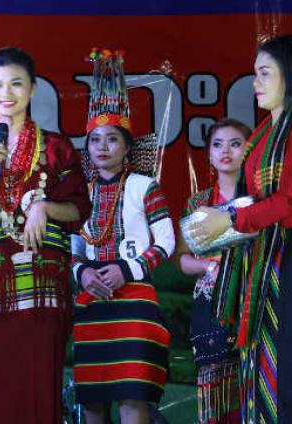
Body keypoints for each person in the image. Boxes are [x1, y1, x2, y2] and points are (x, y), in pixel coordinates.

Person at [190, 35, 292, 423]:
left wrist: (229, 220)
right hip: (261, 254)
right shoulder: (265, 133)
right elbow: (251, 198)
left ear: (291, 75)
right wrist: (220, 222)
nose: (255, 83)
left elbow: (288, 201)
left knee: (286, 359)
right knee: (257, 360)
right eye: (256, 73)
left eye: (264, 73)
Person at [0, 46, 90, 424]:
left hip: (41, 286)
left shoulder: (56, 148)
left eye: (16, 83)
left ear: (33, 88)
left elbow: (79, 209)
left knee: (39, 382)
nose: (6, 94)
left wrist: (44, 208)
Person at [70, 49, 174, 424]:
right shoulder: (78, 193)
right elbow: (72, 249)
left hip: (135, 298)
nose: (102, 147)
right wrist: (82, 272)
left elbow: (166, 242)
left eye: (112, 139)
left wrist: (126, 270)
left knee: (132, 396)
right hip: (91, 299)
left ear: (128, 147)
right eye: (95, 140)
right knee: (92, 402)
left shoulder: (145, 187)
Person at [175, 118, 252, 424]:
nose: (225, 151)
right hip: (211, 303)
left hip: (253, 299)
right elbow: (182, 260)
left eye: (235, 144)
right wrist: (207, 266)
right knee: (215, 389)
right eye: (218, 145)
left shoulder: (260, 202)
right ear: (208, 153)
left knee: (253, 383)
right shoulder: (199, 203)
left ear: (249, 151)